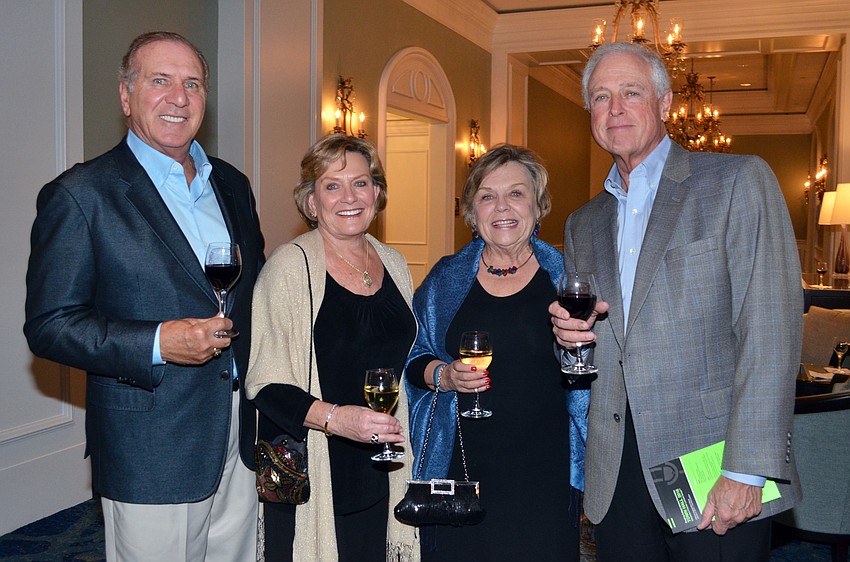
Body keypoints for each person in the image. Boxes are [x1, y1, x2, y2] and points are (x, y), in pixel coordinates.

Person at [549, 42, 803, 561]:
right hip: (617, 475)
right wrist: (568, 342)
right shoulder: (583, 223)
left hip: (713, 465)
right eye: (600, 96)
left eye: (630, 92)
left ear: (664, 103)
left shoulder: (736, 182)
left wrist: (745, 471)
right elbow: (594, 354)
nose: (614, 108)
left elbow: (771, 331)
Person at [24, 31, 265, 560]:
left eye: (193, 83)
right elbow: (50, 324)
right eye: (161, 80)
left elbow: (254, 292)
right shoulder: (81, 195)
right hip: (152, 444)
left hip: (238, 433)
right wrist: (159, 341)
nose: (179, 97)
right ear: (126, 96)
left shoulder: (231, 183)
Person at [405, 144, 587, 561]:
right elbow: (412, 359)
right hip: (464, 467)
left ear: (538, 206)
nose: (501, 207)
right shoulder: (446, 279)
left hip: (545, 470)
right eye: (487, 196)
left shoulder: (567, 276)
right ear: (472, 212)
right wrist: (444, 375)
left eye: (516, 194)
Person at [245, 134, 420, 562]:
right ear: (311, 202)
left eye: (360, 183)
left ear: (377, 194)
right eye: (332, 185)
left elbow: (409, 358)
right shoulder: (289, 268)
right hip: (316, 468)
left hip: (383, 464)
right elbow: (265, 384)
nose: (349, 197)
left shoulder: (394, 264)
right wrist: (338, 420)